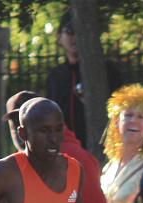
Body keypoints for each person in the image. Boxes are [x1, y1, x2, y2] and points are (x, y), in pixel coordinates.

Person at [43, 9, 121, 148]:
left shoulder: (107, 71)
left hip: (102, 145)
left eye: (80, 32)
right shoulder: (56, 76)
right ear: (59, 37)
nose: (75, 37)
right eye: (70, 31)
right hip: (65, 147)